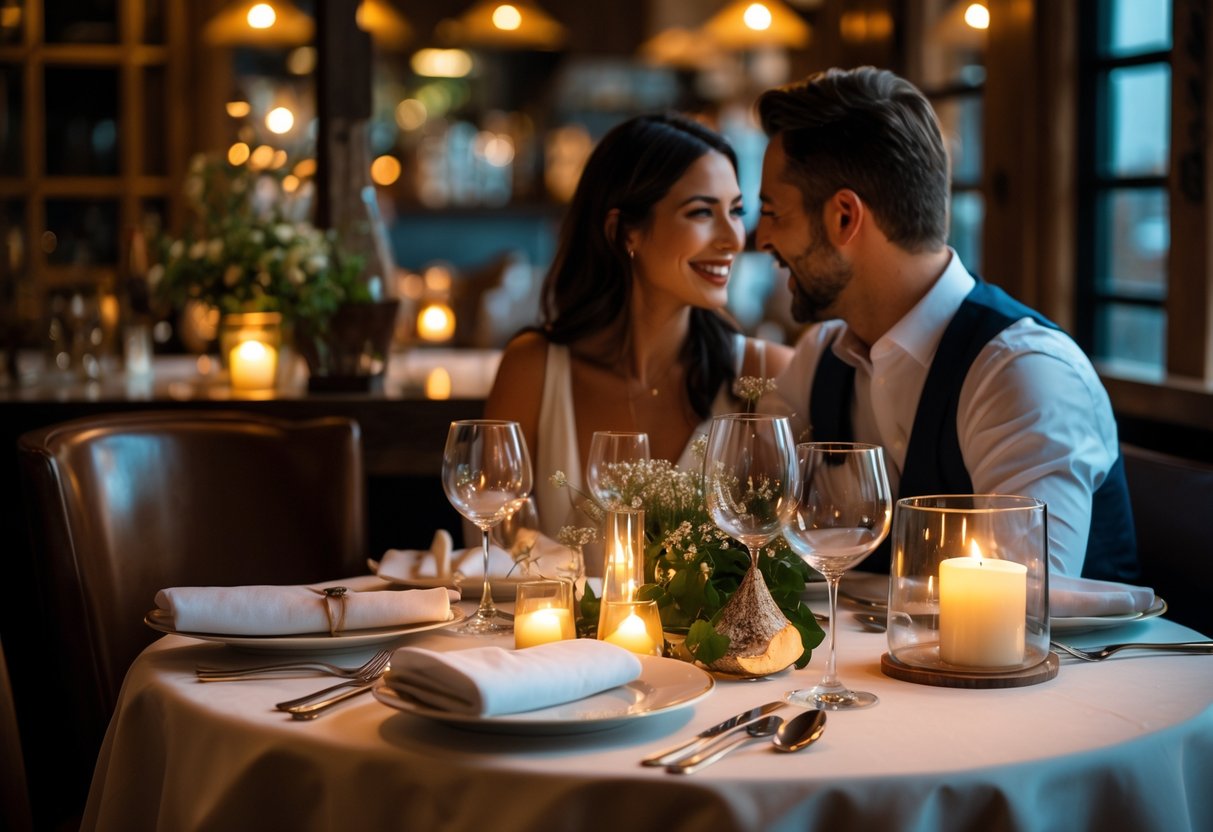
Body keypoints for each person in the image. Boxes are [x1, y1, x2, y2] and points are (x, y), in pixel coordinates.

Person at [753, 67, 1137, 581]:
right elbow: (750, 520)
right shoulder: (820, 356)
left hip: (1093, 665)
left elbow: (1019, 614)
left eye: (773, 212)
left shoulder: (1020, 374)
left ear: (844, 217)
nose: (761, 239)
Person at [486, 113, 792, 541]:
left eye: (736, 211)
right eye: (702, 212)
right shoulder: (533, 370)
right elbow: (492, 556)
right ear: (624, 231)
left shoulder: (766, 376)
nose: (733, 238)